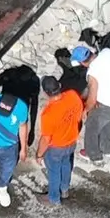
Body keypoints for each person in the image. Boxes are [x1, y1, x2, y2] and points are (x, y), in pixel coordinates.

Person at [73, 44, 110, 166]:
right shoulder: (108, 52)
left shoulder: (92, 73)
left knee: (92, 126)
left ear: (82, 63)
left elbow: (91, 99)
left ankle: (93, 155)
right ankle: (107, 149)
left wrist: (85, 111)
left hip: (107, 104)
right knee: (107, 122)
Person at [34, 77, 84, 207]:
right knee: (66, 164)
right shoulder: (73, 95)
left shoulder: (48, 114)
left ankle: (53, 198)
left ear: (45, 92)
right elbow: (79, 117)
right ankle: (64, 190)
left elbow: (46, 139)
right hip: (71, 142)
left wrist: (39, 155)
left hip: (56, 148)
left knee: (54, 171)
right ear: (60, 85)